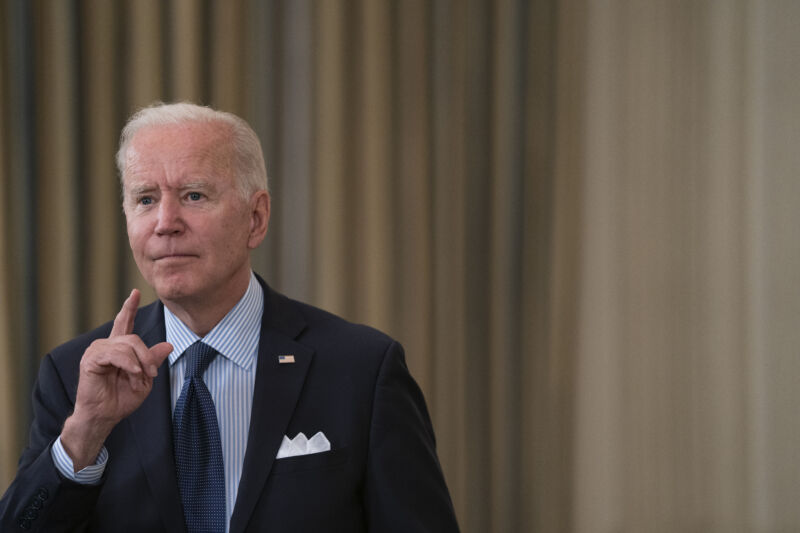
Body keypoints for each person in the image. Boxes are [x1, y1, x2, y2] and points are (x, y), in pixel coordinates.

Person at [0, 102, 459, 532]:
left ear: (255, 219)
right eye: (144, 199)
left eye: (194, 195)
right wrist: (84, 435)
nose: (165, 221)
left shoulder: (362, 371)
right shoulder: (72, 375)